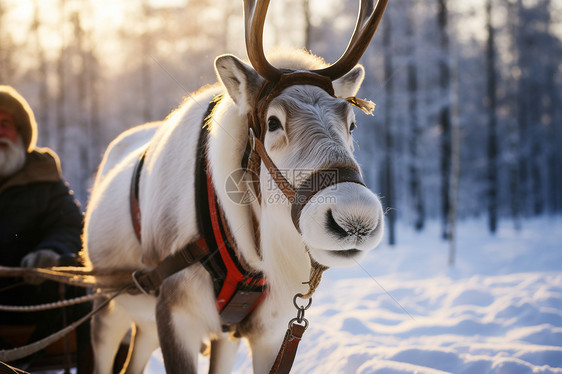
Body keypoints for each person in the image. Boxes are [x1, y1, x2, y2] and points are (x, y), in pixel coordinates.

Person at [0, 85, 90, 371]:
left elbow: (70, 225)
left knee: (76, 286)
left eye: (5, 124)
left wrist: (51, 252)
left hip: (32, 290)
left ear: (21, 133)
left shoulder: (45, 176)